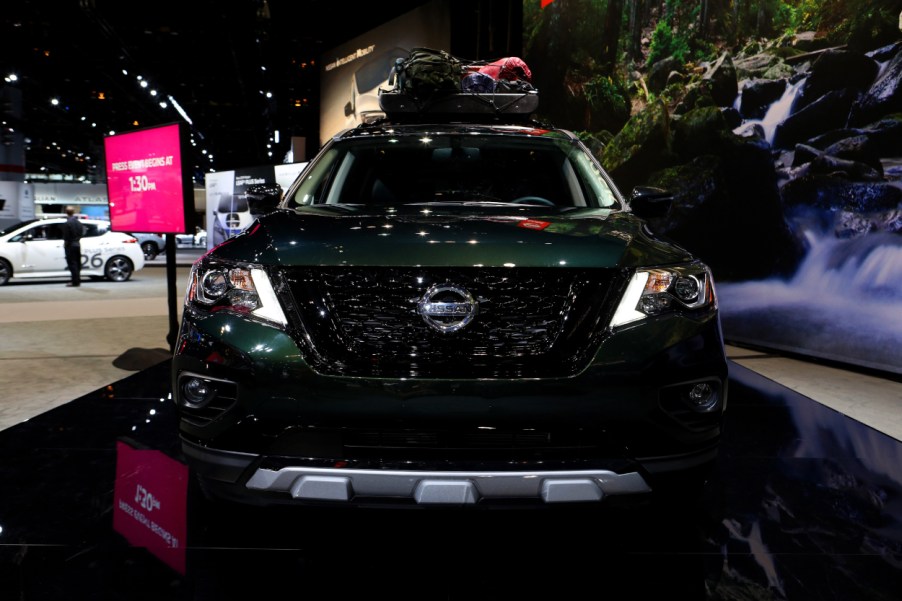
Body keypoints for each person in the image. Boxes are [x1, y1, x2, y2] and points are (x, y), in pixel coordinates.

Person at [62, 206, 83, 287]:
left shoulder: (67, 223)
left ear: (66, 212)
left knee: (72, 263)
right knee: (77, 263)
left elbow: (66, 236)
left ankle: (75, 281)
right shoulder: (79, 223)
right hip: (77, 244)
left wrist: (66, 244)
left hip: (70, 245)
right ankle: (77, 280)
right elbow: (82, 233)